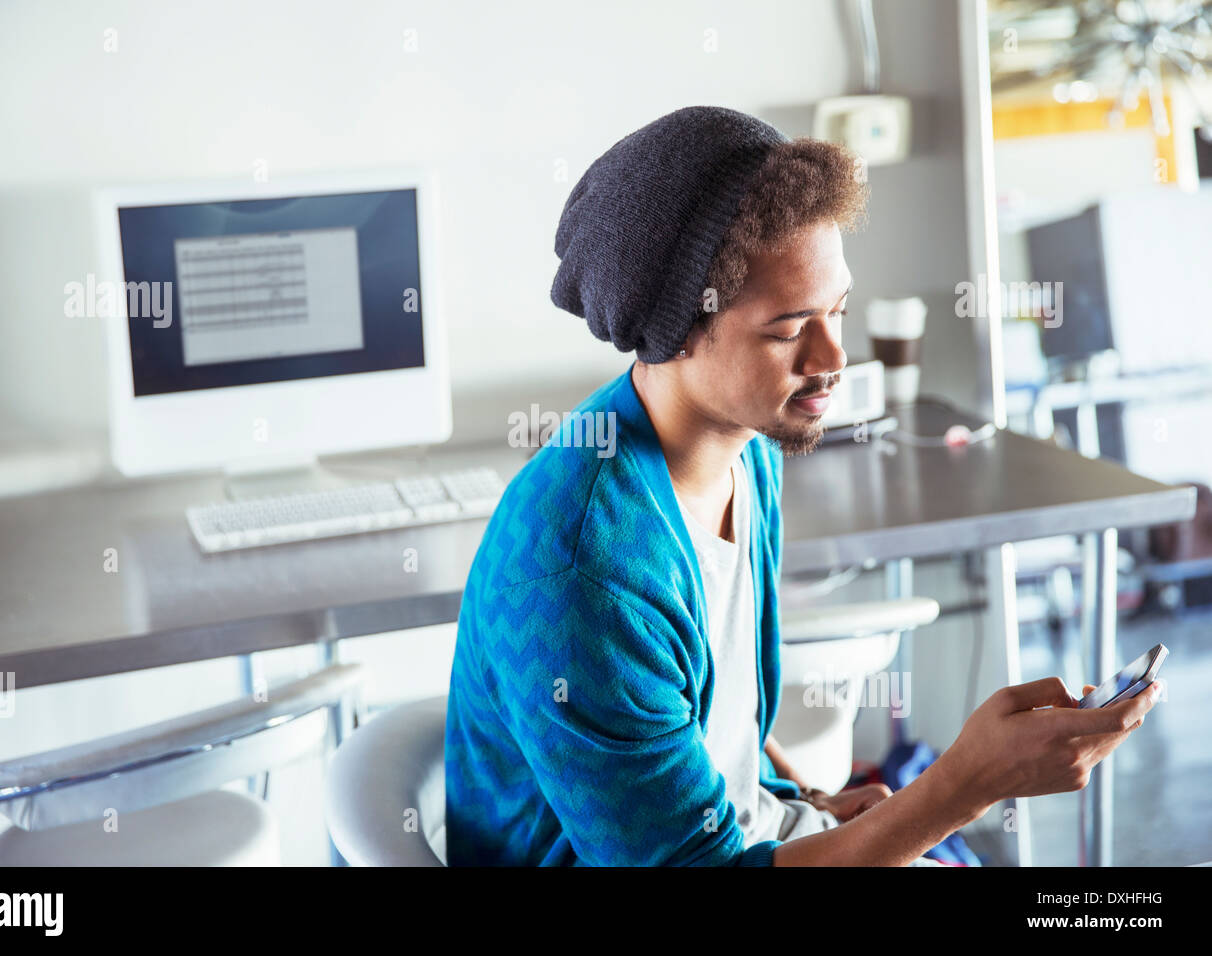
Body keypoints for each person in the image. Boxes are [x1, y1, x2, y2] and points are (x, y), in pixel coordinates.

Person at [443, 106, 1161, 866]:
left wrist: (805, 800)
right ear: (678, 329)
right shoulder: (586, 573)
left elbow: (702, 712)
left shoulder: (744, 448)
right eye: (789, 330)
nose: (833, 357)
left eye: (838, 311)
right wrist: (963, 787)